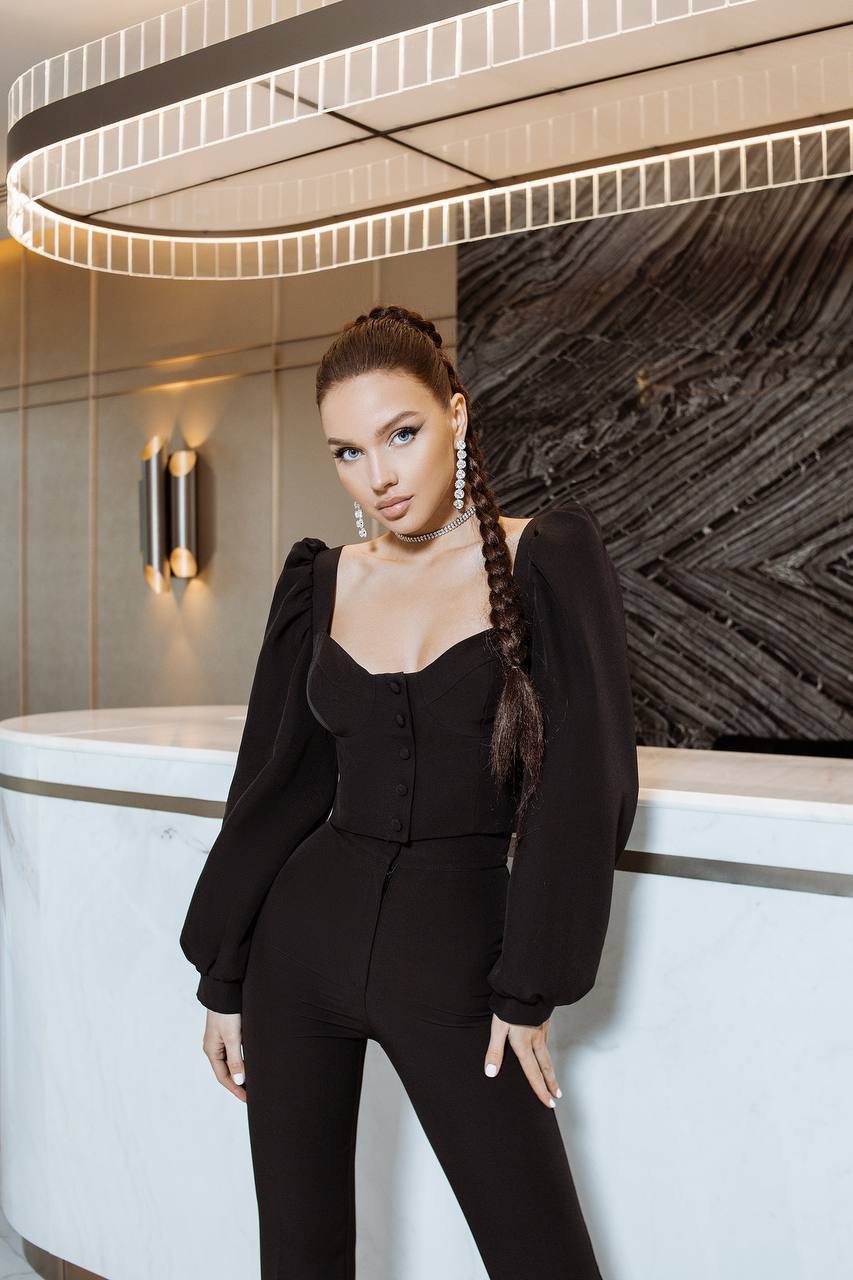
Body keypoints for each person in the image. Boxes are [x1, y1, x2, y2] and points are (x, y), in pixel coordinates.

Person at [180, 304, 639, 1279]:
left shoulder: (546, 557)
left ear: (456, 415)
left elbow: (583, 783)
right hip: (299, 951)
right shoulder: (320, 580)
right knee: (299, 1258)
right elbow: (273, 784)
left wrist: (528, 984)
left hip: (463, 961)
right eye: (347, 452)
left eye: (401, 434)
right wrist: (224, 975)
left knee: (543, 1260)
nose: (378, 475)